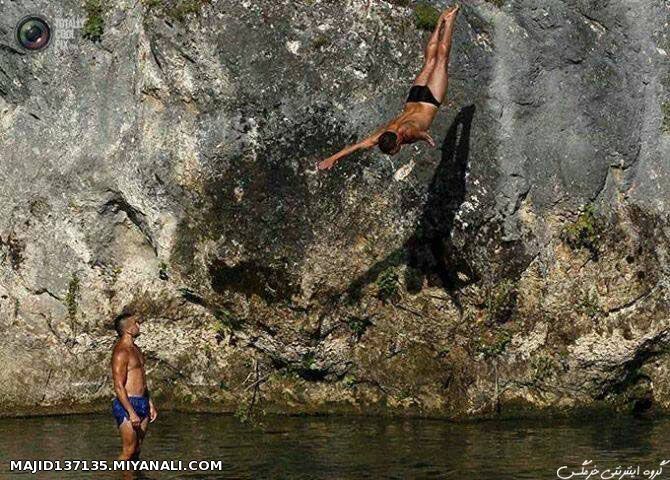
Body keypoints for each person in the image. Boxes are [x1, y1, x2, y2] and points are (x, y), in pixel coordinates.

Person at [317, 4, 460, 170]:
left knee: (441, 60)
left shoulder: (405, 133)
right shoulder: (382, 134)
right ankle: (440, 21)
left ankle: (449, 21)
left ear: (398, 140)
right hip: (414, 97)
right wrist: (333, 158)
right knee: (429, 63)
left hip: (430, 101)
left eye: (394, 150)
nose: (394, 153)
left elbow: (415, 133)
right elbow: (357, 146)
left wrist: (426, 138)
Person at [111, 306, 158, 461]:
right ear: (129, 329)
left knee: (137, 449)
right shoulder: (121, 352)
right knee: (128, 451)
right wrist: (131, 412)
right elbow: (118, 385)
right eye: (136, 323)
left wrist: (149, 402)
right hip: (127, 404)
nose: (139, 325)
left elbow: (141, 379)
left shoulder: (136, 349)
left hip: (142, 401)